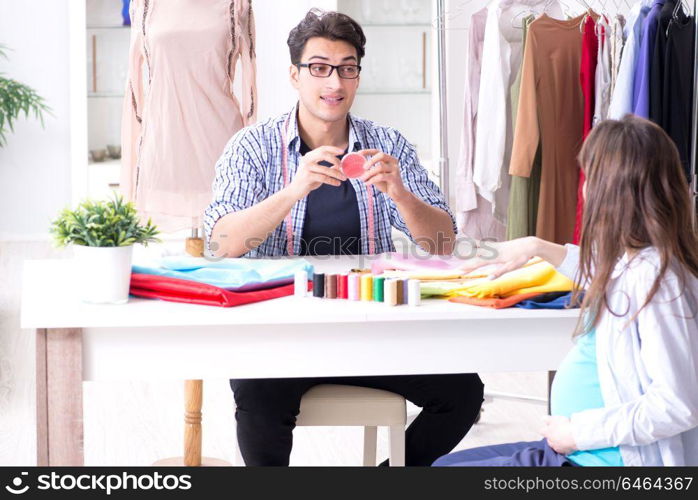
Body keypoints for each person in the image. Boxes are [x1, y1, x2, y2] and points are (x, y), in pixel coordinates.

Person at [204, 9, 484, 466]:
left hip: (371, 327)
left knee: (462, 393)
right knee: (257, 401)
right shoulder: (251, 147)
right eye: (319, 68)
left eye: (346, 68)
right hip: (282, 333)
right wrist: (294, 190)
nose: (333, 82)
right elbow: (220, 243)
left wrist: (401, 193)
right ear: (295, 75)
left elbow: (443, 245)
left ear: (357, 76)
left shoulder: (387, 145)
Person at [434, 115, 698, 466]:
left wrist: (579, 433)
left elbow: (678, 404)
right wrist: (536, 246)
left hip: (603, 459)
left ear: (612, 189)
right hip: (580, 448)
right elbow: (602, 276)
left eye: (590, 176)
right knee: (444, 465)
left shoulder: (657, 280)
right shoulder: (635, 263)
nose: (584, 189)